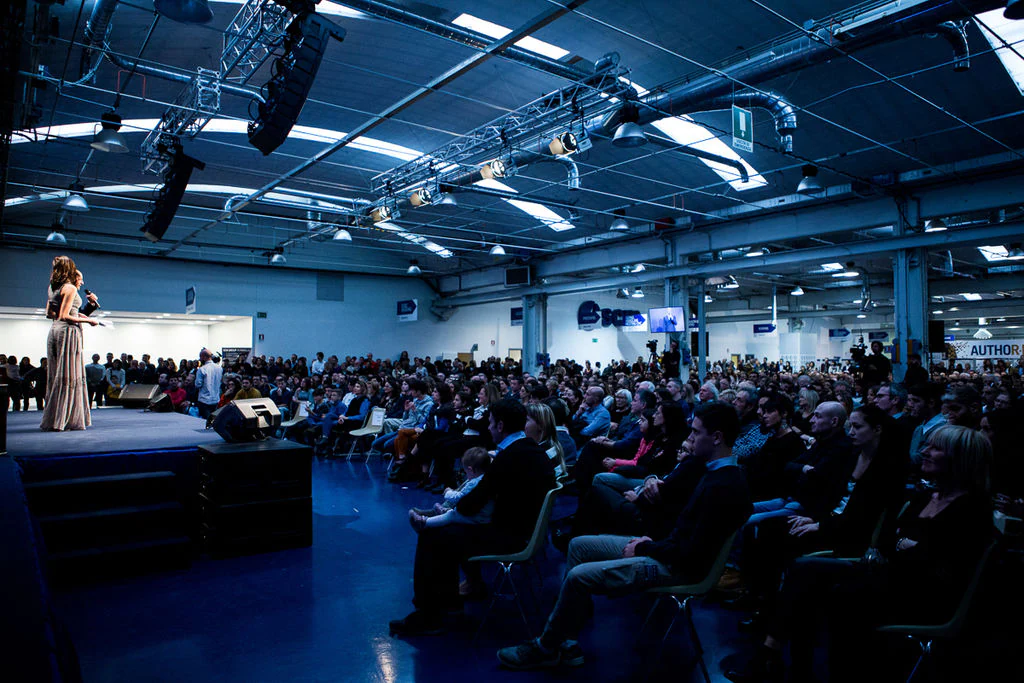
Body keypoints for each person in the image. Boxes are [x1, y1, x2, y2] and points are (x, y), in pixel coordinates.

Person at [496, 402, 752, 670]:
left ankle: (547, 646)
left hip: (679, 569)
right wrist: (651, 542)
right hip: (667, 550)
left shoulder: (723, 486)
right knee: (579, 546)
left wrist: (645, 548)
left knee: (578, 576)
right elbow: (684, 534)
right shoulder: (712, 472)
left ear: (717, 437)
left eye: (696, 432)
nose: (689, 438)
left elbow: (690, 555)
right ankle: (567, 636)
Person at [727, 425, 992, 683]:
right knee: (803, 569)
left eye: (935, 448)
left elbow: (944, 566)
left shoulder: (972, 508)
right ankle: (776, 656)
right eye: (927, 445)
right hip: (889, 573)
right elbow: (889, 540)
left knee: (834, 595)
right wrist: (906, 545)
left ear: (960, 460)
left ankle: (807, 667)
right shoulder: (926, 496)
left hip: (921, 594)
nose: (924, 451)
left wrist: (907, 546)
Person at [389, 399, 555, 636]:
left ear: (500, 425)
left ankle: (429, 616)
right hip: (523, 530)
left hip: (509, 536)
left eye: (490, 422)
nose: (488, 427)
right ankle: (451, 602)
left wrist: (450, 511)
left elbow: (471, 504)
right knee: (445, 532)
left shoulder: (509, 457)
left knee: (432, 535)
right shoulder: (530, 450)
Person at [40, 257, 97, 431]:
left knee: (57, 374)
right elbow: (65, 316)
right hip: (68, 332)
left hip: (54, 330)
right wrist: (89, 321)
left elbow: (50, 314)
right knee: (69, 374)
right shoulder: (69, 288)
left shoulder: (53, 287)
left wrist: (80, 314)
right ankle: (67, 418)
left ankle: (55, 417)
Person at [408, 448, 493, 530]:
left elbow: (458, 497)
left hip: (477, 518)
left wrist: (448, 492)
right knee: (452, 512)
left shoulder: (474, 483)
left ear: (471, 470)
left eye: (466, 472)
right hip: (484, 515)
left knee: (452, 515)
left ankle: (425, 522)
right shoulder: (484, 477)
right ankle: (444, 510)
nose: (467, 475)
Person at [194, 349, 224, 419]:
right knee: (213, 420)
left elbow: (198, 384)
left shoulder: (202, 369)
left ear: (204, 357)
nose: (199, 359)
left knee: (205, 420)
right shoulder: (219, 368)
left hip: (204, 400)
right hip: (216, 399)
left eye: (200, 357)